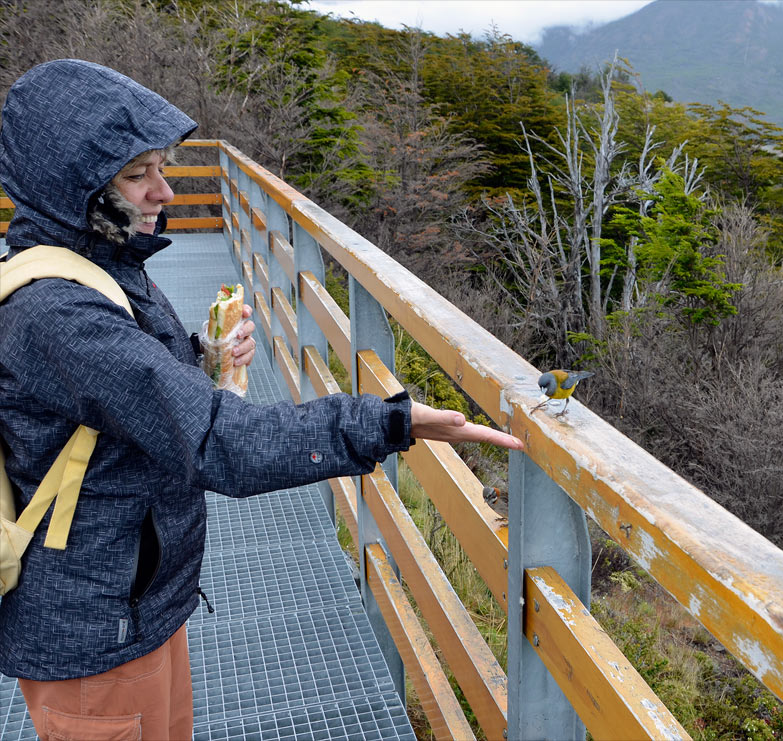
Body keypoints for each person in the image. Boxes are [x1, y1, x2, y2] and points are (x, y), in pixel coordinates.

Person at [0, 59, 522, 740]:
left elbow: (117, 394)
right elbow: (225, 443)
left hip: (134, 601)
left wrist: (201, 360)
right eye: (137, 175)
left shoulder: (99, 260)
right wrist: (390, 420)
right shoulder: (59, 313)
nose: (164, 191)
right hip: (95, 632)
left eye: (162, 166)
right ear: (75, 185)